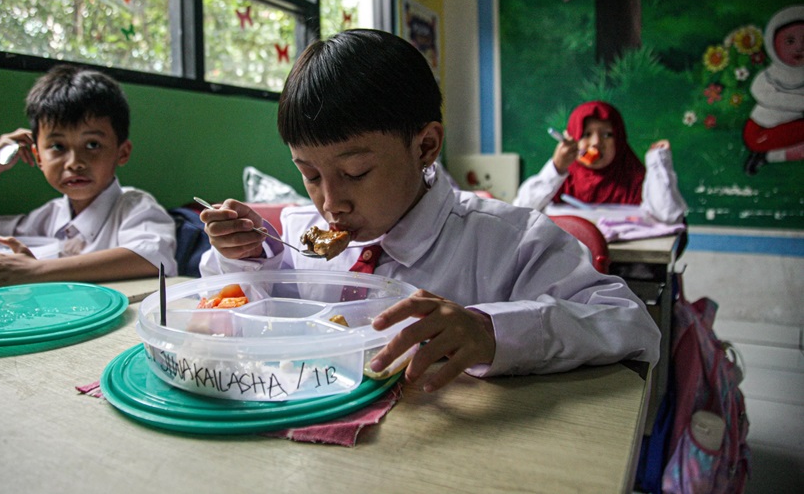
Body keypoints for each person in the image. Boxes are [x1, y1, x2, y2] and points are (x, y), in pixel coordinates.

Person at [198, 29, 660, 393]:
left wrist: (492, 331)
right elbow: (248, 319)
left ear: (426, 146)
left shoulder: (508, 242)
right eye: (311, 175)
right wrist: (244, 258)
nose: (330, 202)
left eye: (356, 172)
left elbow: (631, 321)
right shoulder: (299, 235)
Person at [0, 64, 177, 292]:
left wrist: (36, 270)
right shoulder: (47, 218)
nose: (74, 162)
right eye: (57, 146)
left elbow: (151, 257)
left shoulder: (136, 206)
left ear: (122, 152)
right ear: (38, 157)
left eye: (92, 144)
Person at [513, 100, 688, 224]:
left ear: (619, 141)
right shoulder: (563, 176)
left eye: (607, 135)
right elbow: (520, 212)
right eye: (586, 134)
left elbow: (669, 215)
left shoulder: (633, 177)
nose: (596, 142)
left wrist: (658, 162)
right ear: (572, 139)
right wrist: (556, 168)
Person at [742, 5, 804, 175]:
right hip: (760, 130)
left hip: (793, 129)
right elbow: (765, 95)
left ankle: (767, 158)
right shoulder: (768, 75)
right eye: (790, 41)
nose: (799, 48)